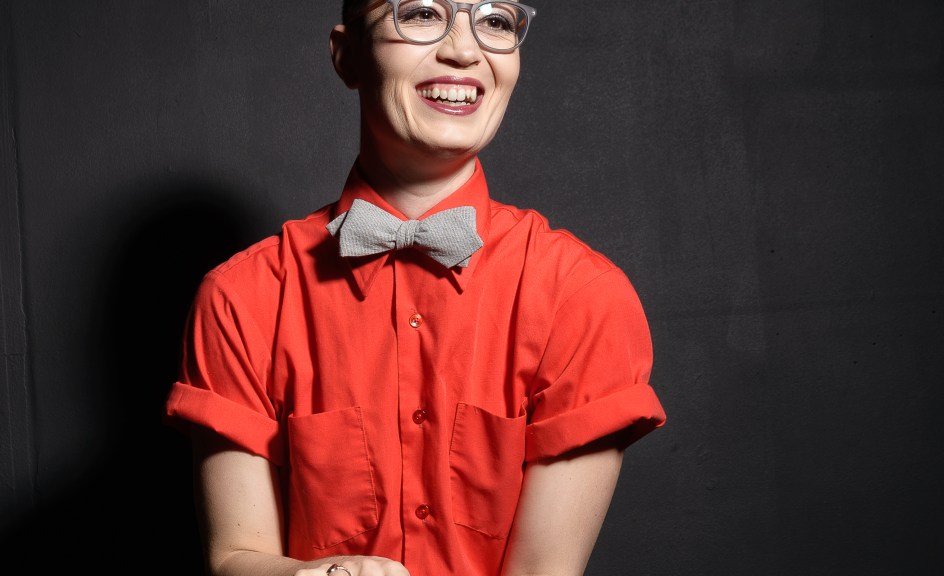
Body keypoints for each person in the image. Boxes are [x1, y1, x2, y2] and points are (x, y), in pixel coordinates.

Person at [164, 1, 667, 575]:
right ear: (346, 54)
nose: (464, 48)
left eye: (496, 21)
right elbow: (234, 557)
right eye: (423, 13)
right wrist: (320, 575)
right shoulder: (241, 297)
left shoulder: (583, 297)